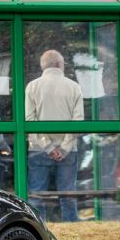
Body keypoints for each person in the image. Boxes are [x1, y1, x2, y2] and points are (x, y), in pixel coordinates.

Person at [25, 49, 84, 221]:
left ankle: (39, 230)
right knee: (67, 194)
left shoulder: (32, 86)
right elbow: (78, 120)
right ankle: (72, 229)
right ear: (59, 64)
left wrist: (48, 146)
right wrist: (64, 148)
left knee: (37, 195)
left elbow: (29, 121)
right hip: (68, 150)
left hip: (38, 148)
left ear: (44, 65)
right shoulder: (74, 87)